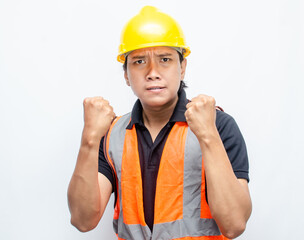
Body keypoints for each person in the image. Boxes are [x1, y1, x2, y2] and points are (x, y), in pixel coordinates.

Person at [68, 6, 252, 240]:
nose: (152, 72)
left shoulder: (219, 126)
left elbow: (235, 224)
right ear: (126, 74)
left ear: (182, 67)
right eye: (139, 61)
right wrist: (90, 139)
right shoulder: (112, 134)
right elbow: (83, 220)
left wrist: (208, 135)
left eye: (165, 59)